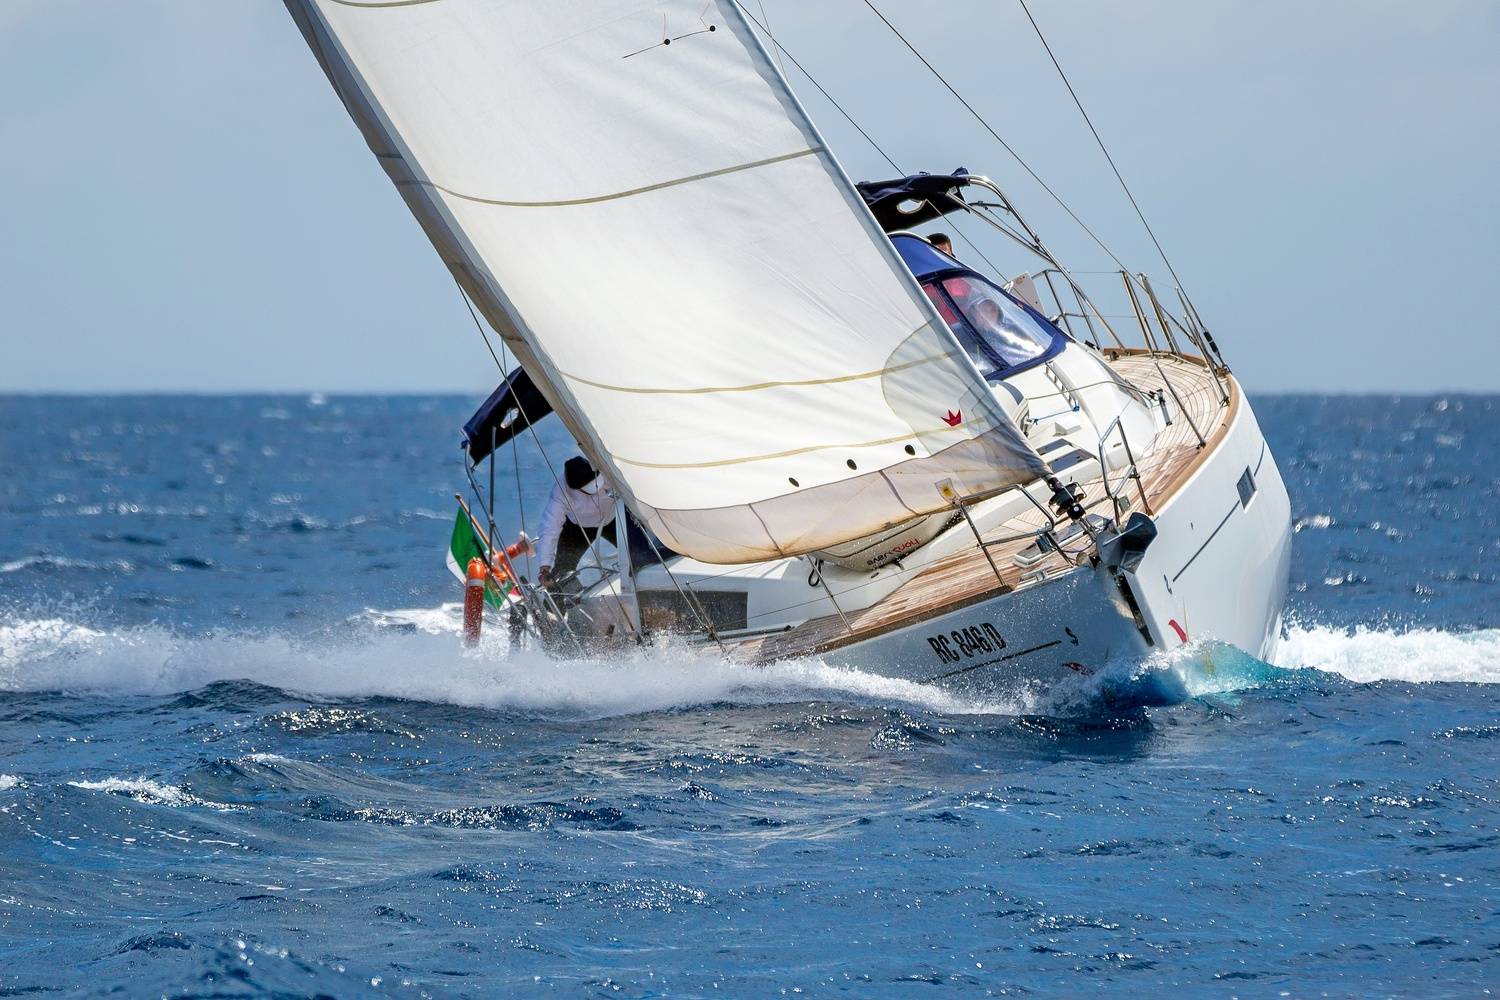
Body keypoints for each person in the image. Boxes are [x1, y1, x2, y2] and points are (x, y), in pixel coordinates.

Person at [536, 456, 617, 590]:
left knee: (641, 551)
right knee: (561, 572)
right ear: (575, 489)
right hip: (580, 527)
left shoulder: (605, 467)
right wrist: (544, 565)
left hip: (615, 517)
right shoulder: (560, 492)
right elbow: (549, 528)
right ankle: (560, 601)